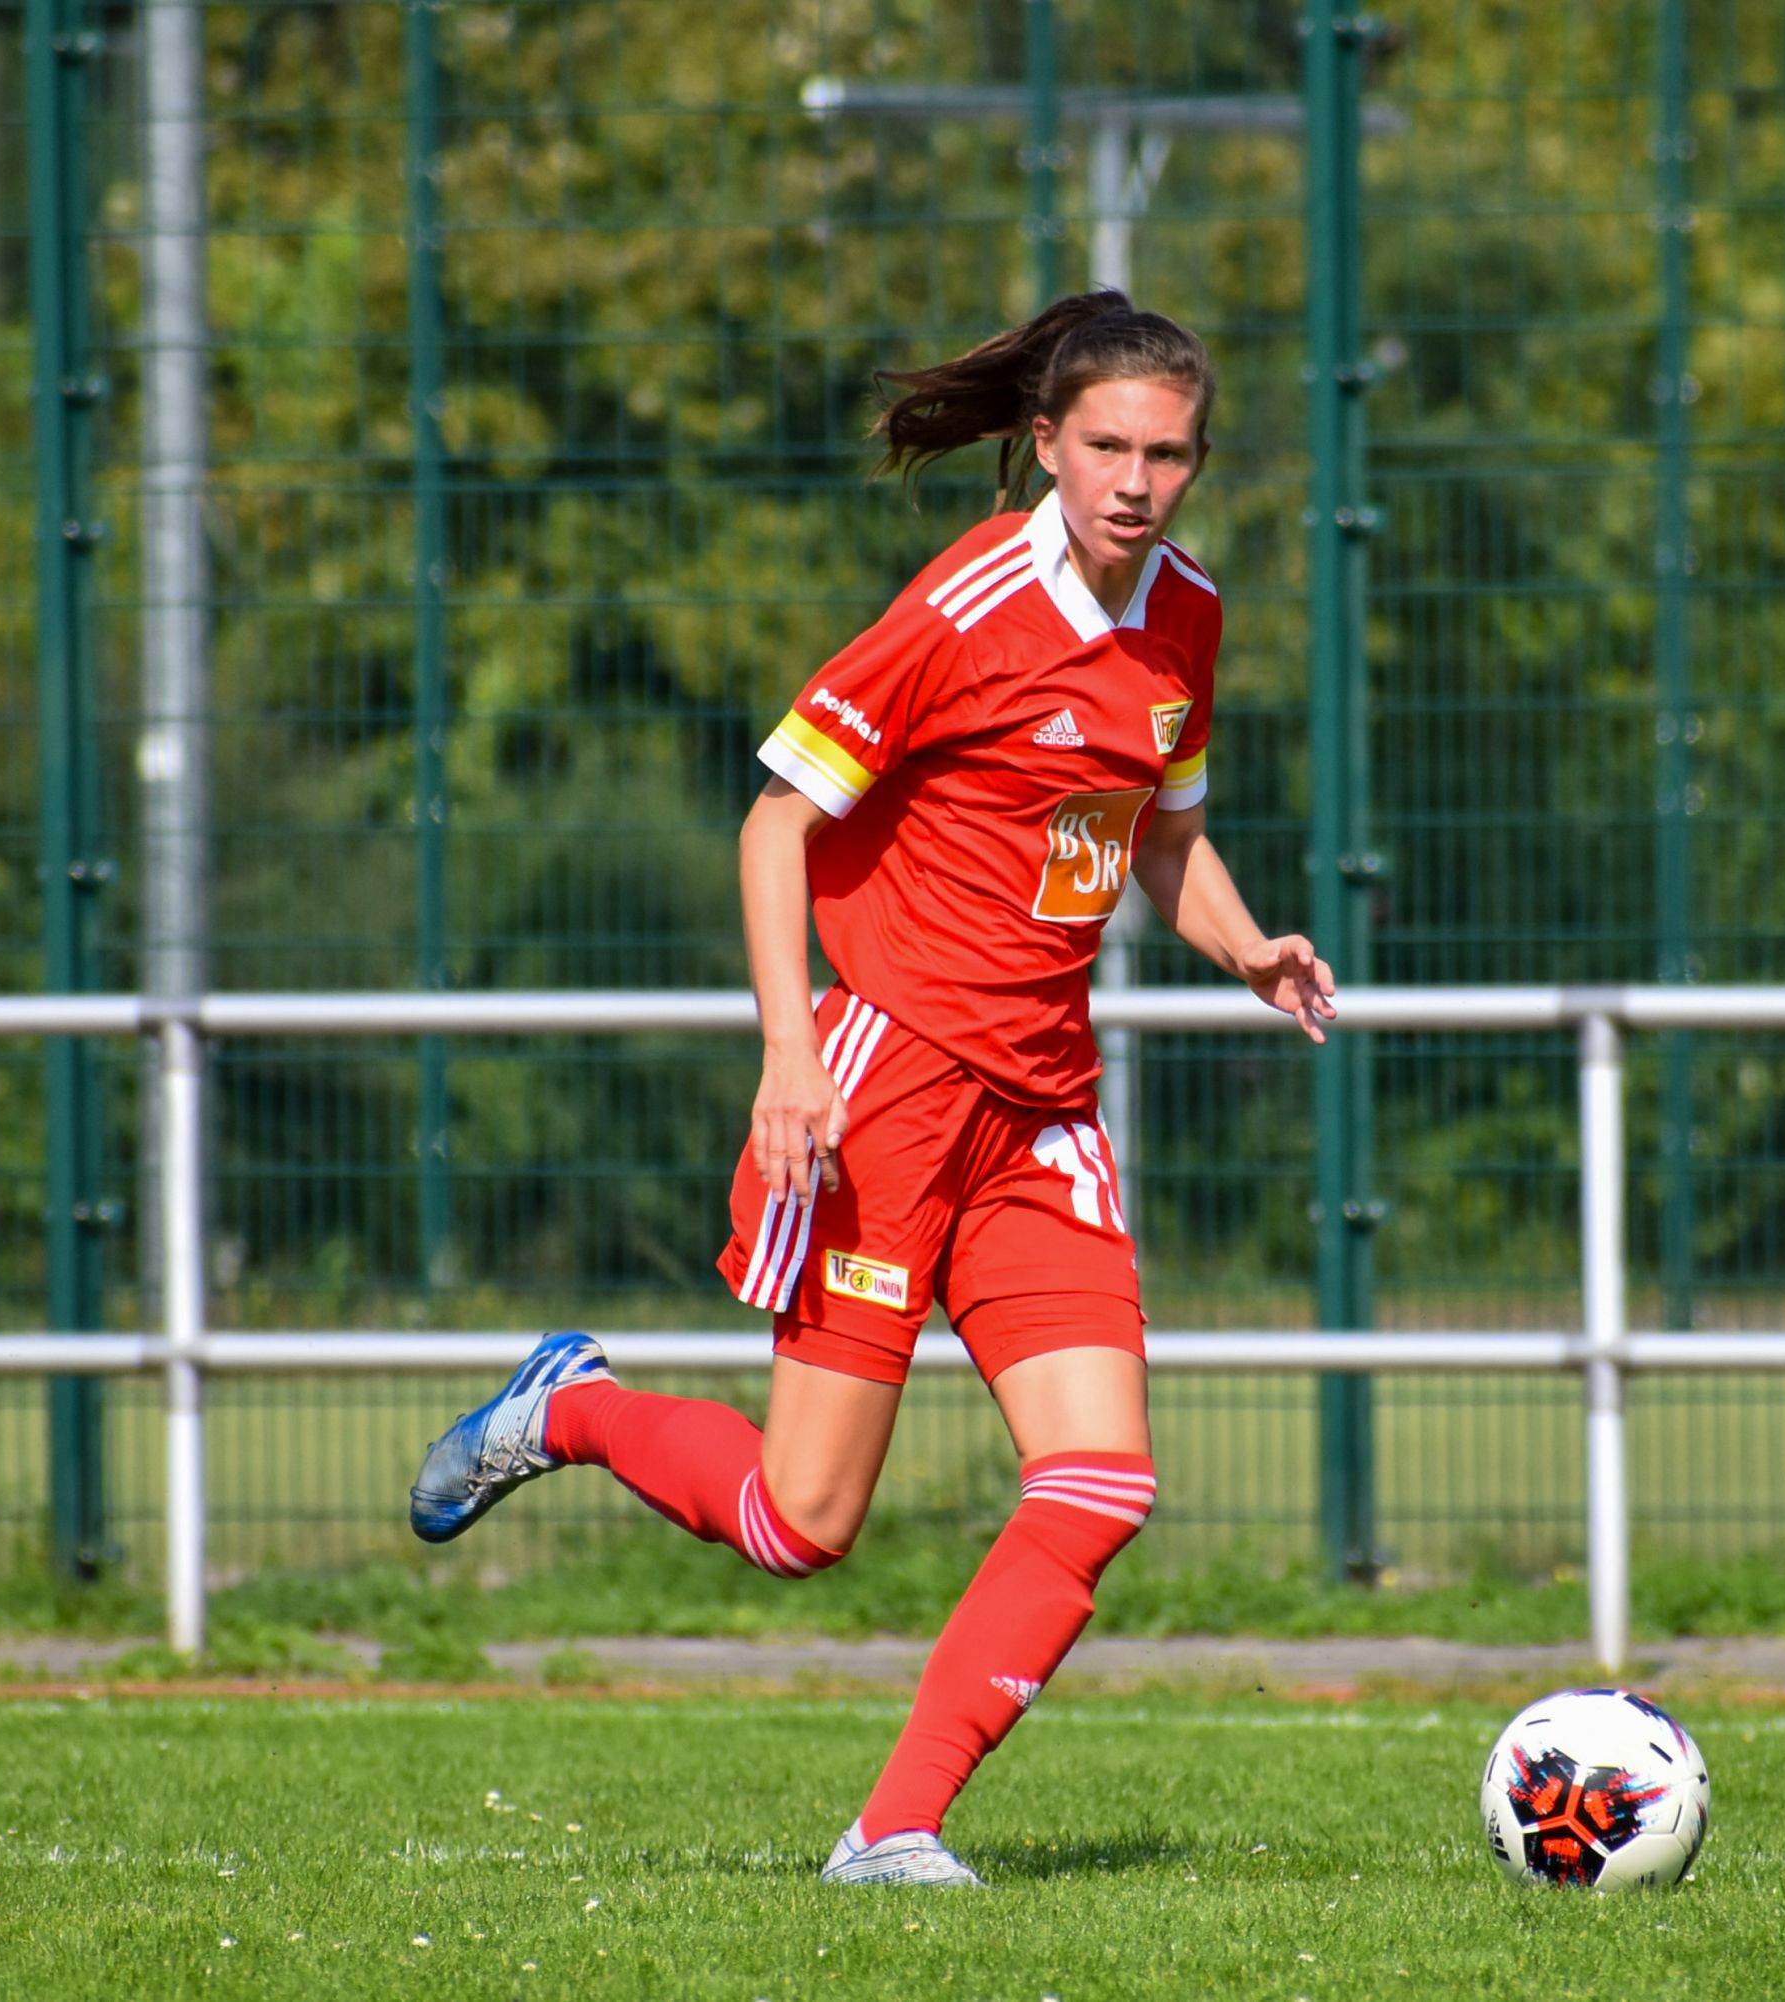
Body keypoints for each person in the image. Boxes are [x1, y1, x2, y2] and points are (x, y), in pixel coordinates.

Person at [409, 290, 1335, 1888]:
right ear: (1044, 444)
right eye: (1105, 444)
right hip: (890, 1087)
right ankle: (568, 1406)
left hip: (1041, 1109)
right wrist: (789, 1051)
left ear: (1197, 464)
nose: (1135, 479)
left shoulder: (1187, 615)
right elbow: (775, 824)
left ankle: (891, 1831)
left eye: (1167, 453)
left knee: (1104, 1480)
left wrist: (1247, 946)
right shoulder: (966, 604)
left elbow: (1157, 841)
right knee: (798, 1523)